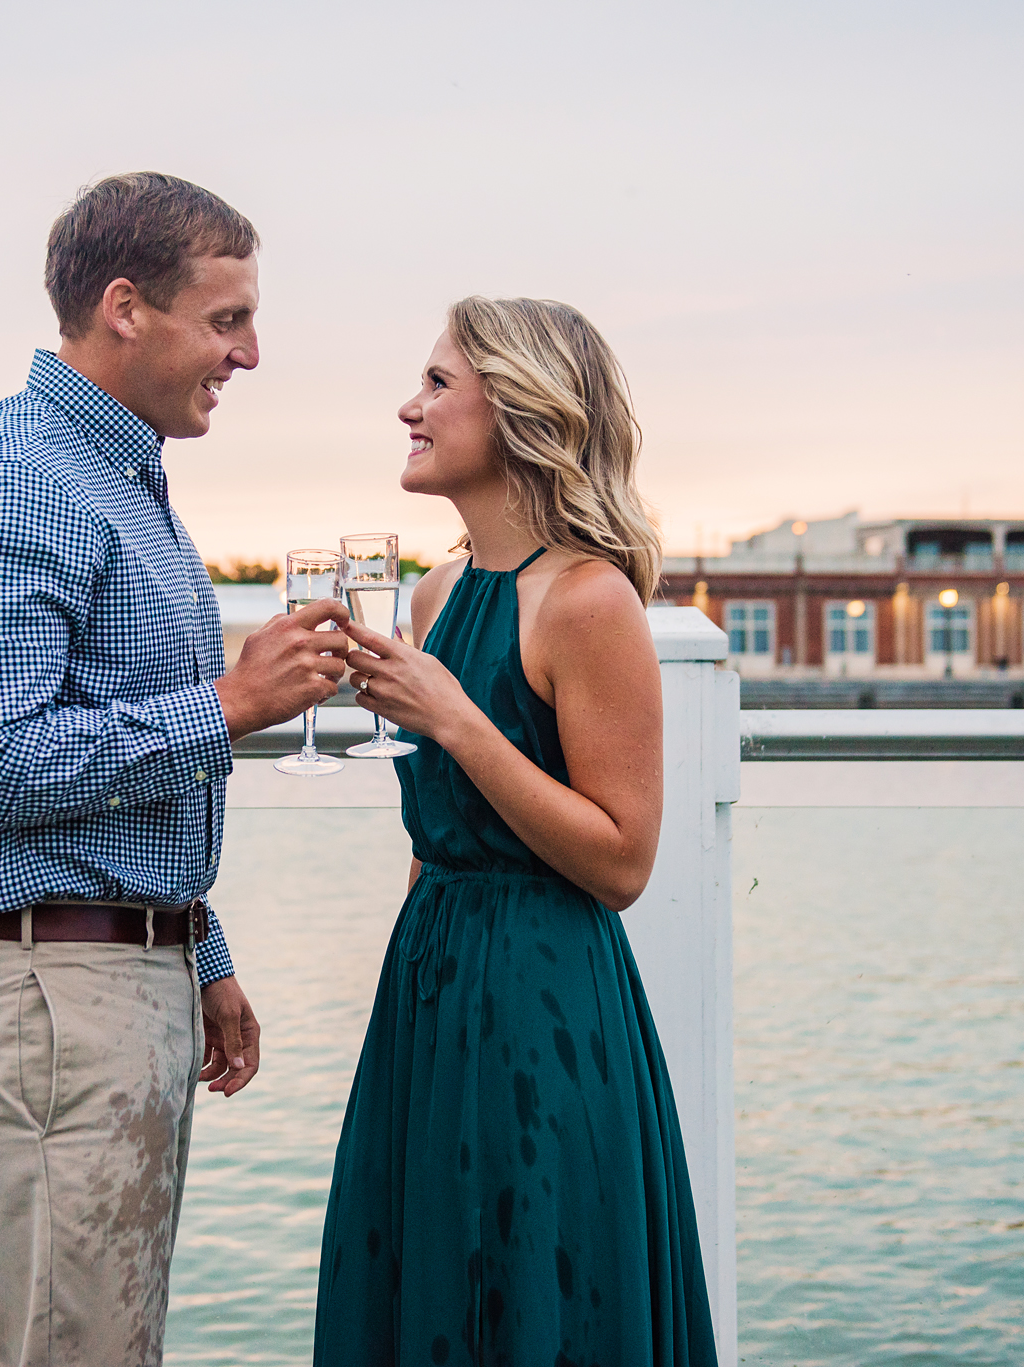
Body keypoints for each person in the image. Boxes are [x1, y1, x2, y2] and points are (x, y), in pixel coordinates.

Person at [0, 172, 350, 1367]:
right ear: (125, 306)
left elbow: (90, 755)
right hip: (53, 1000)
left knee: (78, 1340)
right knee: (72, 1347)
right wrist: (233, 702)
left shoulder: (110, 473)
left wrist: (200, 946)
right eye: (227, 318)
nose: (250, 353)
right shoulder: (15, 480)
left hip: (103, 976)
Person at [314, 297, 719, 1365]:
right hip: (430, 981)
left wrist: (453, 714)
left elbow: (622, 857)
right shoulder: (440, 587)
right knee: (424, 1271)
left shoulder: (589, 601)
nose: (410, 405)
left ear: (522, 407)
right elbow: (437, 822)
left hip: (546, 1001)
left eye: (438, 383)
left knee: (533, 1283)